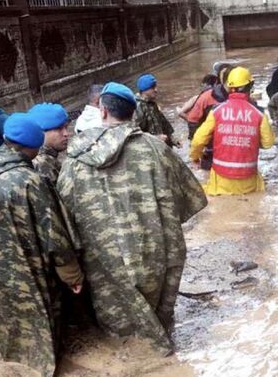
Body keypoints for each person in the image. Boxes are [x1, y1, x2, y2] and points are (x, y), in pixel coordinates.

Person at [56, 82, 207, 349]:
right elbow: (191, 201)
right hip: (157, 251)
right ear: (133, 113)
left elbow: (64, 217)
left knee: (118, 328)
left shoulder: (75, 159)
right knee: (160, 318)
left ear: (102, 111)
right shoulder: (156, 149)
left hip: (104, 259)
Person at [0, 113, 83, 377]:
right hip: (24, 268)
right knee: (40, 315)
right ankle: (39, 364)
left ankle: (6, 356)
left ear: (5, 140)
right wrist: (72, 276)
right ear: (32, 149)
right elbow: (55, 238)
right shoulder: (30, 181)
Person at [190, 67, 275, 195]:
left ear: (229, 87)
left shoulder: (216, 111)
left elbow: (198, 140)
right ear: (250, 86)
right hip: (249, 181)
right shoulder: (259, 114)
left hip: (221, 180)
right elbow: (268, 143)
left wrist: (195, 157)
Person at [28, 102, 70, 185]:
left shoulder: (48, 159)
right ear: (40, 132)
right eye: (58, 129)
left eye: (66, 127)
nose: (66, 133)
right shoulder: (42, 165)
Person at [134, 73, 177, 147]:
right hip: (151, 149)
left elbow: (163, 122)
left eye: (155, 86)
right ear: (144, 90)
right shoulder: (138, 108)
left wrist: (172, 138)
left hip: (161, 146)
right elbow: (135, 135)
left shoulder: (152, 104)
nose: (156, 90)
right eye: (153, 87)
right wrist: (156, 138)